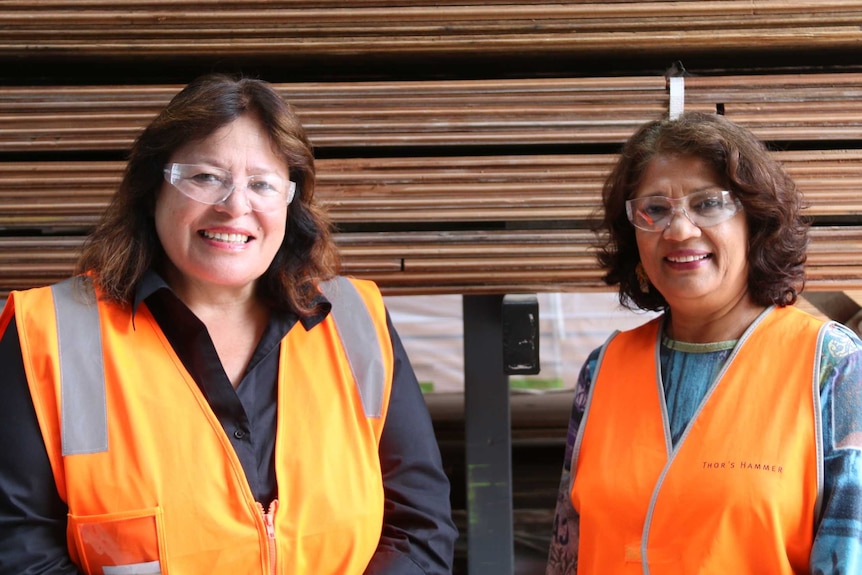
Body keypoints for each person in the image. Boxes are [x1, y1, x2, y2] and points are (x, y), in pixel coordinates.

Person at [0, 73, 457, 574]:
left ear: (290, 202)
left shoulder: (356, 321)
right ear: (155, 188)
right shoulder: (47, 332)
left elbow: (418, 526)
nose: (235, 206)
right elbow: (20, 549)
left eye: (262, 184)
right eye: (205, 177)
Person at [546, 111, 862, 574]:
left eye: (708, 204)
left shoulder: (832, 367)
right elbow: (567, 553)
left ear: (755, 220)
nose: (678, 230)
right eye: (654, 209)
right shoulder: (603, 369)